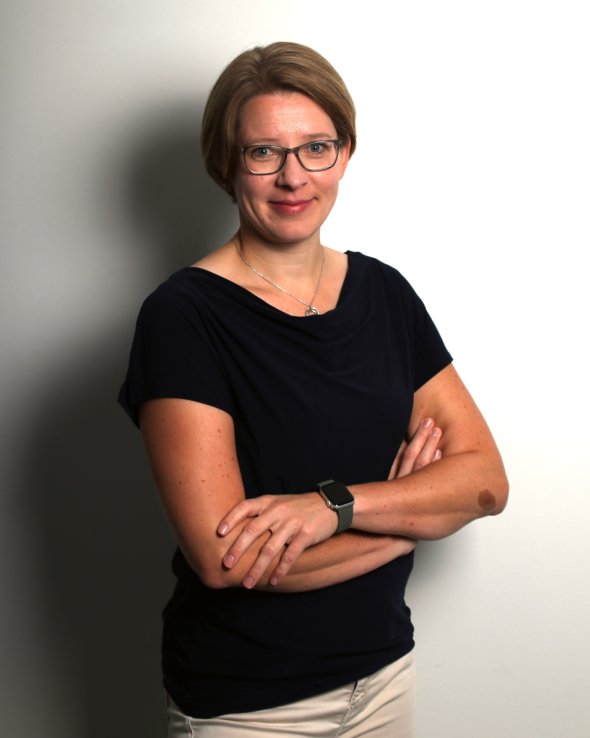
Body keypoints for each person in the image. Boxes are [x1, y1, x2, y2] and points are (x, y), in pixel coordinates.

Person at [118, 41, 508, 738]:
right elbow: (225, 562)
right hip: (247, 707)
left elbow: (484, 483)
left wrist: (336, 508)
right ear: (226, 162)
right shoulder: (182, 317)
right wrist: (409, 525)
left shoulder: (385, 293)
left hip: (384, 677)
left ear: (345, 153)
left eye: (316, 148)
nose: (293, 176)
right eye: (263, 152)